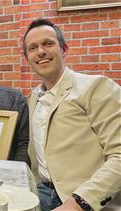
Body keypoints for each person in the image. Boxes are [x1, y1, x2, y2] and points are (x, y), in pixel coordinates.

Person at [23, 18, 121, 210]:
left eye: (48, 43)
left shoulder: (97, 87)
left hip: (84, 200)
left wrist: (78, 203)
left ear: (64, 49)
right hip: (40, 195)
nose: (40, 51)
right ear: (27, 59)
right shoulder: (32, 98)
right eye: (32, 48)